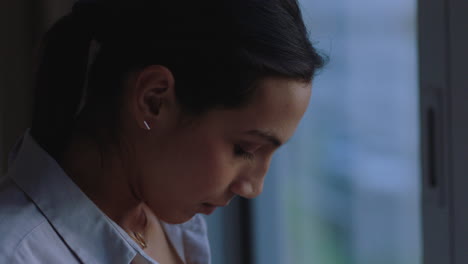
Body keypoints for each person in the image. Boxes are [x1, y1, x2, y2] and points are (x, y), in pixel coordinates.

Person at [0, 0, 324, 263]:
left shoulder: (169, 217)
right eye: (244, 149)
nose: (253, 187)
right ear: (154, 100)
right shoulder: (17, 252)